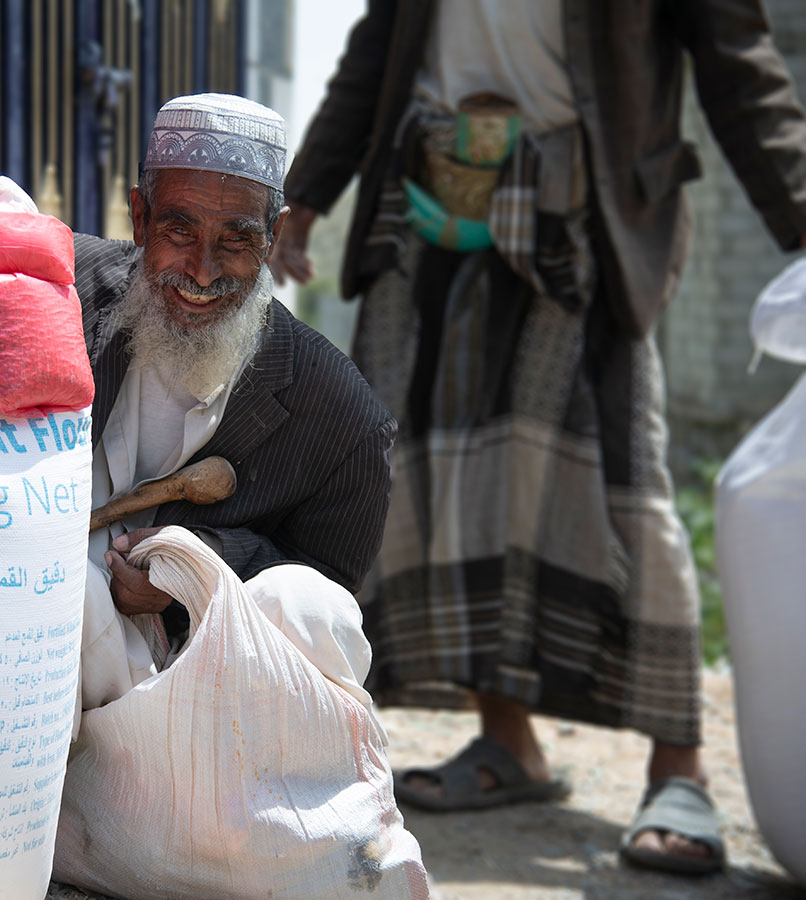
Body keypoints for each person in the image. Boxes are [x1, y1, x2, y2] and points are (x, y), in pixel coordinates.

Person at [274, 0, 806, 876]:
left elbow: (739, 58)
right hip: (432, 197)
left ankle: (680, 765)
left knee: (620, 480)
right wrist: (306, 192)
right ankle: (507, 739)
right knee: (444, 474)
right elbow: (384, 44)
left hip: (580, 209)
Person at [71, 92, 397, 720]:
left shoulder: (343, 421)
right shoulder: (56, 291)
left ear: (273, 239)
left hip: (198, 690)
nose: (201, 270)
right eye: (178, 230)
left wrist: (189, 576)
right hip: (26, 643)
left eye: (236, 241)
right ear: (140, 218)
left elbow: (324, 596)